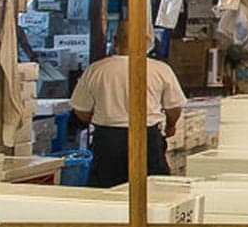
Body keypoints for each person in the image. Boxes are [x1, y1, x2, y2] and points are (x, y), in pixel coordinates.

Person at [71, 27, 185, 187]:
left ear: (116, 41)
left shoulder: (96, 70)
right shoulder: (160, 70)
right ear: (146, 43)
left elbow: (81, 110)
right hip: (146, 138)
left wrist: (104, 119)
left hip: (108, 140)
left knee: (107, 191)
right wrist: (171, 126)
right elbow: (173, 108)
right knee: (152, 190)